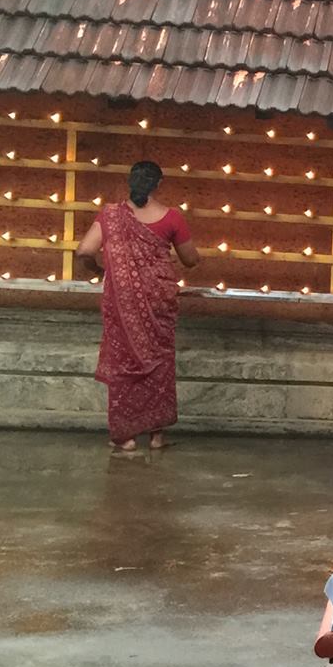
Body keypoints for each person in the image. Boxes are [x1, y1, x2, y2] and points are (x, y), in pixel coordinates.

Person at [76, 161, 200, 453]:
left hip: (122, 302)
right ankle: (156, 437)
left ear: (129, 182)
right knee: (159, 364)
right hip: (160, 302)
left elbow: (84, 251)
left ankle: (125, 437)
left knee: (124, 365)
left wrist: (99, 272)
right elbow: (191, 260)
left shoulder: (110, 215)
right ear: (159, 184)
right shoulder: (172, 218)